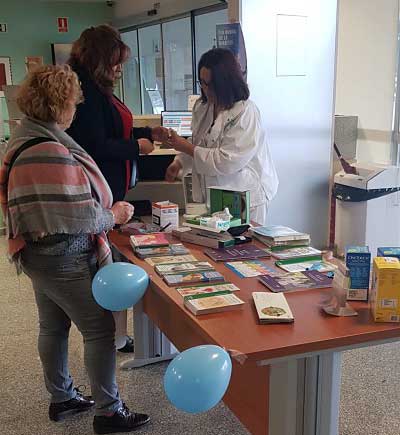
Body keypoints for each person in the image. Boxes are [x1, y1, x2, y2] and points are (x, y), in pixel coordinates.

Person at [0, 65, 150, 433]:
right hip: (63, 254)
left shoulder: (21, 137)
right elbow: (82, 218)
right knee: (99, 330)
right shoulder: (50, 150)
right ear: (59, 104)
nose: (75, 109)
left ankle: (62, 397)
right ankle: (109, 412)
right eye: (72, 102)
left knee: (52, 325)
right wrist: (114, 213)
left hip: (35, 252)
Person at [67, 24, 169, 352]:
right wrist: (136, 147)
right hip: (99, 192)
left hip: (113, 188)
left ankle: (117, 334)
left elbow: (116, 127)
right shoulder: (88, 92)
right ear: (99, 60)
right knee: (104, 262)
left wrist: (147, 134)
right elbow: (96, 145)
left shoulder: (101, 88)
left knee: (113, 258)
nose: (120, 69)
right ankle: (109, 335)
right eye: (115, 62)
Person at [165, 48, 278, 225]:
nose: (205, 88)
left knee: (245, 249)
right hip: (216, 195)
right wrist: (179, 162)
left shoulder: (246, 112)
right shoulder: (204, 107)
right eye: (202, 82)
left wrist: (184, 147)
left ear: (225, 83)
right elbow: (199, 142)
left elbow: (227, 160)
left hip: (245, 196)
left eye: (210, 84)